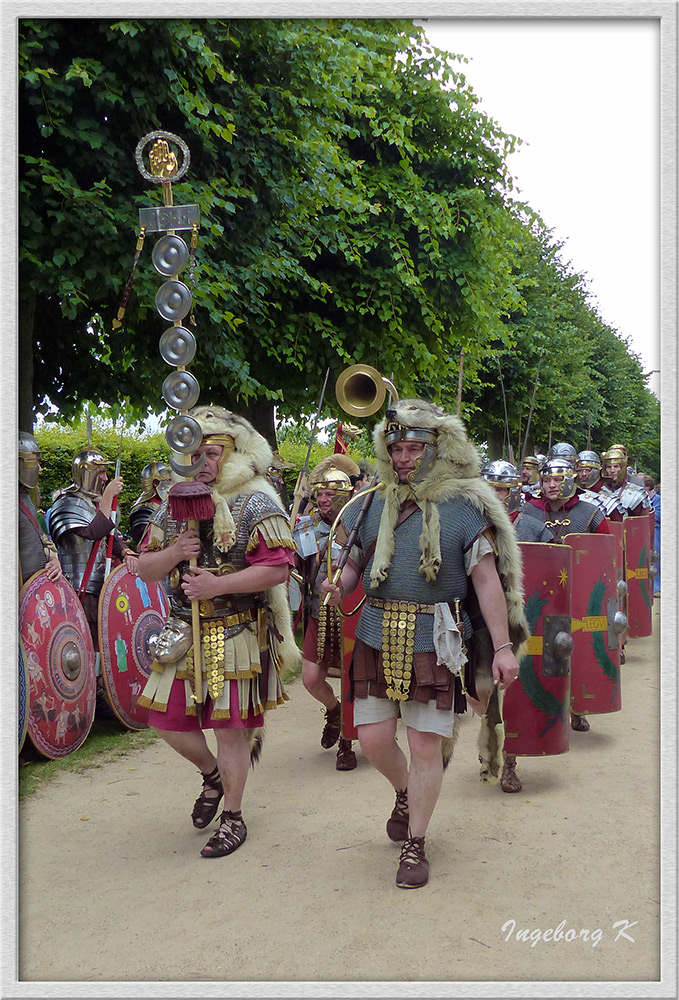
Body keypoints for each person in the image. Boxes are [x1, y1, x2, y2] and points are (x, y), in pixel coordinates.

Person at [322, 398, 529, 889]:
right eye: (397, 449)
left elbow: (486, 583)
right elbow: (353, 565)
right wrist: (338, 584)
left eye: (415, 448)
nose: (404, 459)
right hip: (375, 630)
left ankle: (415, 843)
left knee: (424, 745)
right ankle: (404, 792)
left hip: (437, 638)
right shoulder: (370, 503)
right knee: (372, 740)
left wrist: (501, 647)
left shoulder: (464, 506)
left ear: (439, 449)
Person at [137, 405, 300, 859]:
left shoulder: (256, 501)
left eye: (211, 453)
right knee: (166, 721)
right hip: (181, 631)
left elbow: (278, 571)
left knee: (231, 729)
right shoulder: (172, 506)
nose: (202, 463)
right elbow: (144, 569)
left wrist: (218, 584)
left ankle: (233, 816)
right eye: (194, 454)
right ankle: (211, 774)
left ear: (231, 454)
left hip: (237, 630)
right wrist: (175, 551)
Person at [521, 457, 610, 733]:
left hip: (577, 591)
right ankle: (549, 706)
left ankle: (578, 706)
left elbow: (604, 555)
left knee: (576, 647)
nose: (550, 486)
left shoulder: (590, 512)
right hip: (541, 591)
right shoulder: (528, 511)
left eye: (557, 480)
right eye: (546, 480)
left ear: (570, 480)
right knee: (544, 651)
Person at [294, 454, 360, 771]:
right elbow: (293, 564)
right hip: (319, 614)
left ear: (343, 497)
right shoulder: (306, 526)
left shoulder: (358, 529)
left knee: (352, 679)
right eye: (319, 493)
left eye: (330, 495)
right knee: (310, 678)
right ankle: (334, 711)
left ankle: (346, 744)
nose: (322, 499)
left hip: (351, 616)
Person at [49, 447, 138, 646]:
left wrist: (126, 552)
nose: (105, 478)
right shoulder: (66, 503)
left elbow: (109, 538)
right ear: (87, 473)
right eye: (101, 473)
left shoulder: (93, 505)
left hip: (102, 589)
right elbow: (93, 532)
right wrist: (107, 498)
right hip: (77, 588)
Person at [18, 431, 62, 586]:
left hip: (35, 589)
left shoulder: (25, 499)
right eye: (35, 462)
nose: (40, 469)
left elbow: (43, 540)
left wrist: (53, 559)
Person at [480, 459, 552, 542]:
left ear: (512, 492)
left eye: (499, 489)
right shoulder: (469, 523)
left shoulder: (535, 529)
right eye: (488, 489)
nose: (493, 494)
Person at [599, 444, 652, 518]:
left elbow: (643, 520)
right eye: (608, 467)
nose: (612, 470)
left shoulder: (636, 485)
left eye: (616, 466)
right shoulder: (598, 488)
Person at [128, 461, 172, 549]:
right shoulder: (143, 510)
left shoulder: (166, 503)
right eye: (167, 480)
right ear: (155, 483)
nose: (170, 484)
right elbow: (146, 542)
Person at [643, 475, 661, 595]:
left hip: (655, 532)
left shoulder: (657, 499)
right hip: (643, 531)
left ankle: (656, 586)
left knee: (655, 558)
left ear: (648, 487)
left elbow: (659, 515)